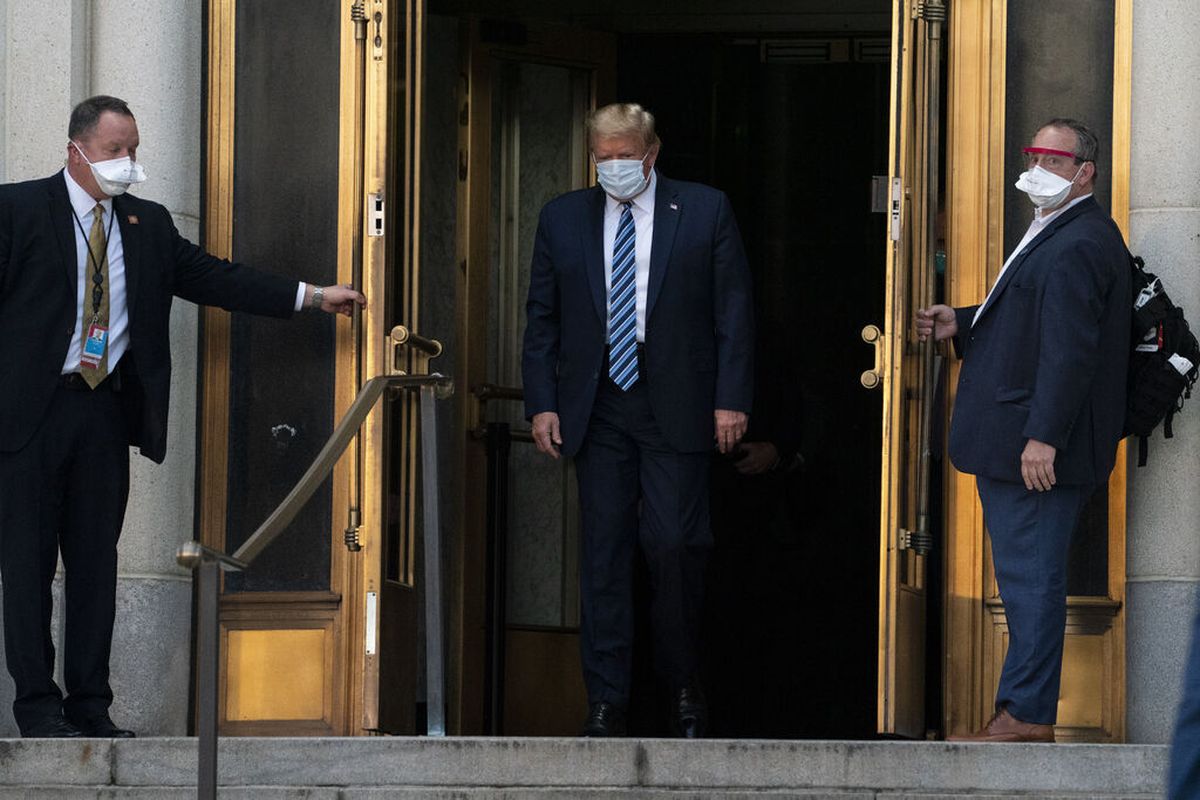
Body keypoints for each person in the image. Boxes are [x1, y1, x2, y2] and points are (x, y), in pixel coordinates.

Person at [0, 95, 365, 738]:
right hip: (29, 417)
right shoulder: (18, 209)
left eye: (134, 149)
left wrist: (312, 296)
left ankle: (91, 706)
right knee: (27, 567)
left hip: (103, 413)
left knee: (94, 564)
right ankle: (37, 708)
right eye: (116, 150)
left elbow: (217, 278)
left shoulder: (147, 224)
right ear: (76, 150)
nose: (128, 163)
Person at [522, 102, 754, 738]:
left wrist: (731, 399)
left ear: (652, 154)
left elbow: (733, 312)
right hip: (597, 407)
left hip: (675, 400)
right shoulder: (563, 217)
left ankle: (683, 686)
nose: (615, 166)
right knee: (603, 555)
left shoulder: (704, 209)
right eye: (604, 156)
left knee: (675, 548)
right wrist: (542, 400)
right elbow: (542, 316)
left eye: (626, 155)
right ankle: (606, 698)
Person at [916, 118, 1130, 743]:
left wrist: (1044, 436)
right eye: (1032, 153)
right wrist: (963, 319)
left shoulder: (1081, 240)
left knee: (1031, 581)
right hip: (1018, 440)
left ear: (1085, 171)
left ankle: (1026, 716)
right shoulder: (1060, 228)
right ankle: (1020, 710)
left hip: (1032, 450)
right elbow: (1029, 311)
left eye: (1053, 158)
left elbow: (1069, 350)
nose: (1037, 165)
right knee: (1025, 577)